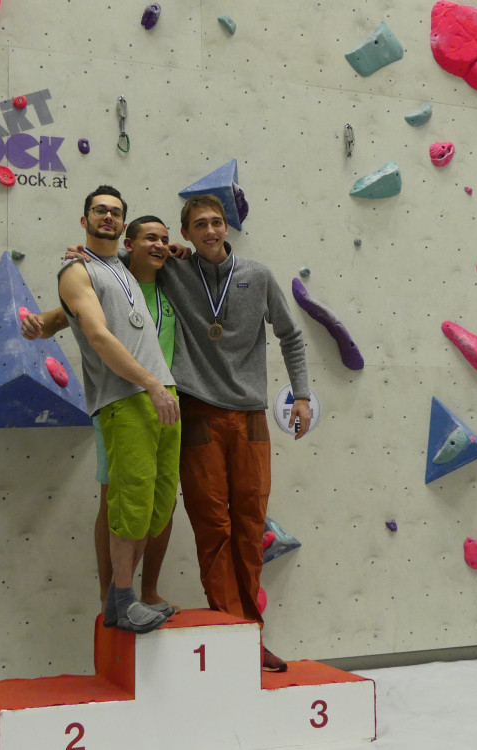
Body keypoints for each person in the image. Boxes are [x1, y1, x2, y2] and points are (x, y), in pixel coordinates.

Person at [159, 193, 312, 672]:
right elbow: (126, 260)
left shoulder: (257, 276)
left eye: (216, 222)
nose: (210, 230)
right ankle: (232, 630)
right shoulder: (173, 270)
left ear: (227, 227)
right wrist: (83, 254)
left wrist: (302, 395)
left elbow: (291, 335)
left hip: (250, 417)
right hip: (199, 414)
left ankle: (250, 633)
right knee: (213, 527)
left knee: (250, 525)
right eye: (199, 225)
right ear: (185, 233)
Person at [22, 215, 180, 615]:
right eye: (150, 239)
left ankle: (137, 596)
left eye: (165, 240)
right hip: (121, 399)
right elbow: (64, 316)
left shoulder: (173, 283)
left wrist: (183, 251)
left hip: (166, 401)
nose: (159, 245)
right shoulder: (99, 276)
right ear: (128, 244)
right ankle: (113, 596)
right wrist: (40, 323)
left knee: (157, 502)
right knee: (119, 497)